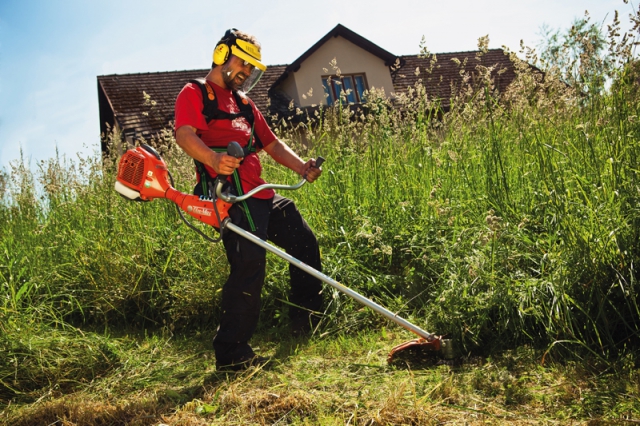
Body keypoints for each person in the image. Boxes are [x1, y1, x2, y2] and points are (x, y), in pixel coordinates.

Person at [174, 28, 324, 371]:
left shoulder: (244, 103)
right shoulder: (195, 93)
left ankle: (307, 321)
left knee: (304, 243)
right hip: (233, 197)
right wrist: (213, 160)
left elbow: (271, 144)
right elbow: (184, 133)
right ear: (221, 54)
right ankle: (232, 354)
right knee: (249, 267)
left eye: (252, 67)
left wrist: (302, 167)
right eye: (243, 63)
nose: (248, 72)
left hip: (263, 193)